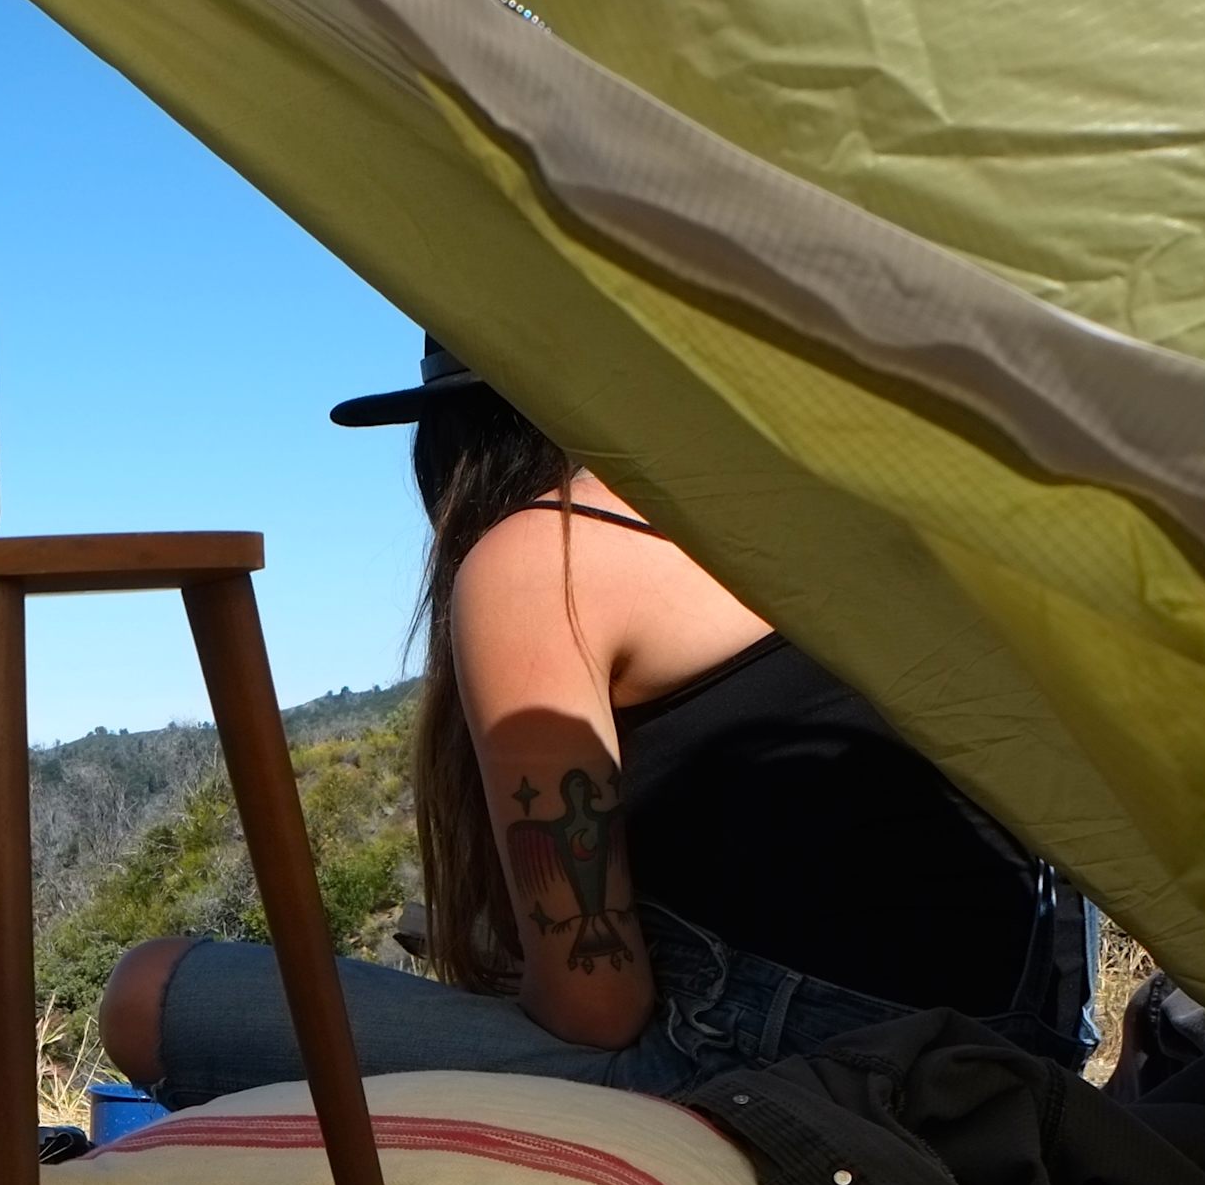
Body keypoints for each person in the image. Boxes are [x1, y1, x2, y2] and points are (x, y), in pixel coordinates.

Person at [100, 340, 1093, 1108]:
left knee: (151, 991)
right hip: (1020, 1059)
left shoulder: (548, 552)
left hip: (788, 1077)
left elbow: (596, 1008)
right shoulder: (839, 506)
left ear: (457, 441)